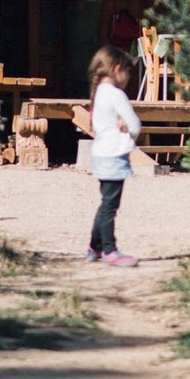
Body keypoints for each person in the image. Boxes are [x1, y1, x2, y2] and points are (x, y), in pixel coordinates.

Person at [84, 45, 141, 267]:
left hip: (100, 154)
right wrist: (129, 131)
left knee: (105, 203)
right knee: (110, 206)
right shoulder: (117, 94)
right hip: (114, 155)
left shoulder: (99, 92)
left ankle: (94, 247)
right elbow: (135, 125)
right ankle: (109, 250)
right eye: (127, 71)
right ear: (117, 69)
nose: (128, 76)